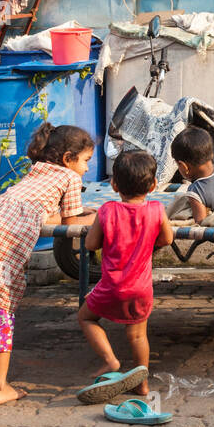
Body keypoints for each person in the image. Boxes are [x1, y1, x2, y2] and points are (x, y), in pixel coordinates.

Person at [0, 123, 96, 407]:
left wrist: (74, 214)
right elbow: (71, 224)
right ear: (68, 159)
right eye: (85, 161)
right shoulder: (69, 178)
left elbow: (40, 215)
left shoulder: (36, 171)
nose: (86, 169)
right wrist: (100, 217)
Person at [75, 150, 174, 406]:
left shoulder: (107, 211)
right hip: (141, 288)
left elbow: (90, 244)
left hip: (111, 286)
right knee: (138, 336)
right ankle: (142, 384)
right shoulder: (156, 209)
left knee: (86, 317)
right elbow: (167, 239)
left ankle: (110, 360)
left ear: (114, 184)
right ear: (153, 185)